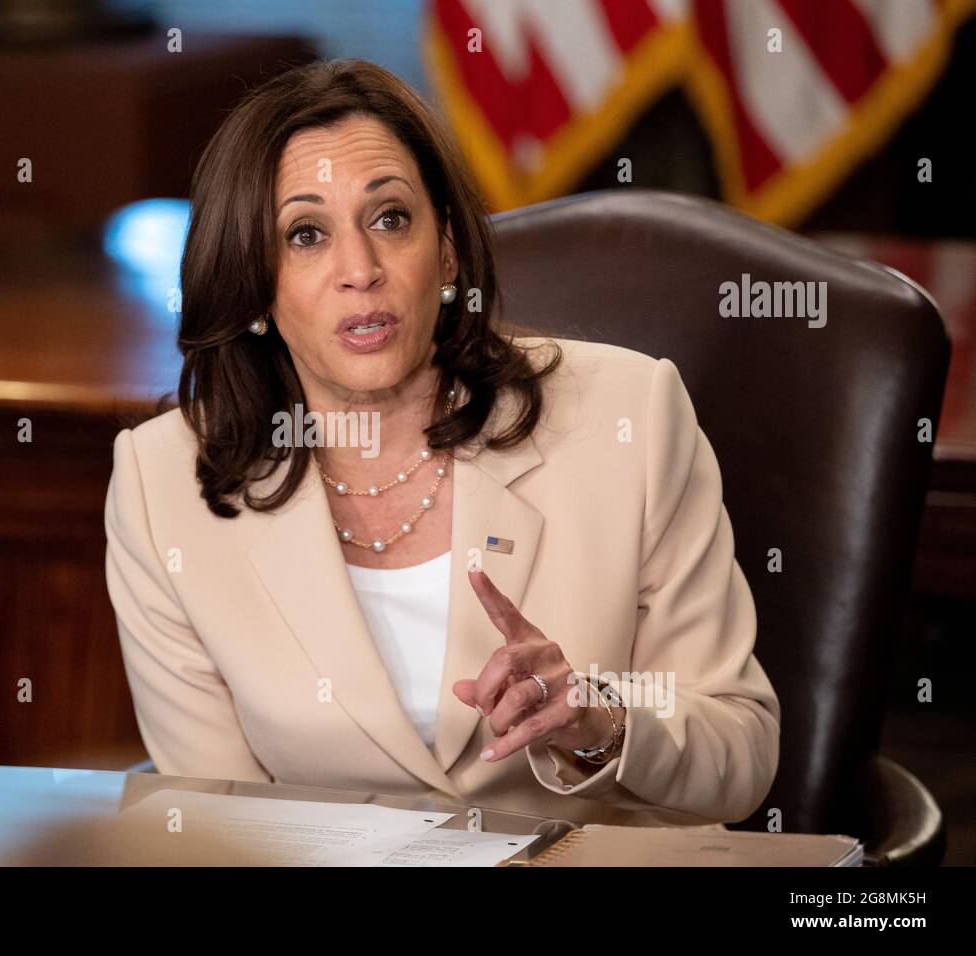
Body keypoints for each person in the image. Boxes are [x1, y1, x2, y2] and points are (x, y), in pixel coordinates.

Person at [104, 58, 779, 827]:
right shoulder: (162, 487)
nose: (360, 270)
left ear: (449, 249)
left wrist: (604, 724)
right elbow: (215, 826)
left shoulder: (630, 415)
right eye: (306, 234)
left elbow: (743, 752)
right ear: (254, 283)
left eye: (390, 218)